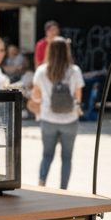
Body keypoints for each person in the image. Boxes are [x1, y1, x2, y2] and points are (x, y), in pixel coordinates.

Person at [32, 37, 84, 189]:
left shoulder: (42, 71)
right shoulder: (74, 71)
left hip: (48, 119)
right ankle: (63, 189)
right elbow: (79, 97)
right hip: (70, 120)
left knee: (47, 154)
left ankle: (42, 184)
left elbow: (37, 96)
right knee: (67, 157)